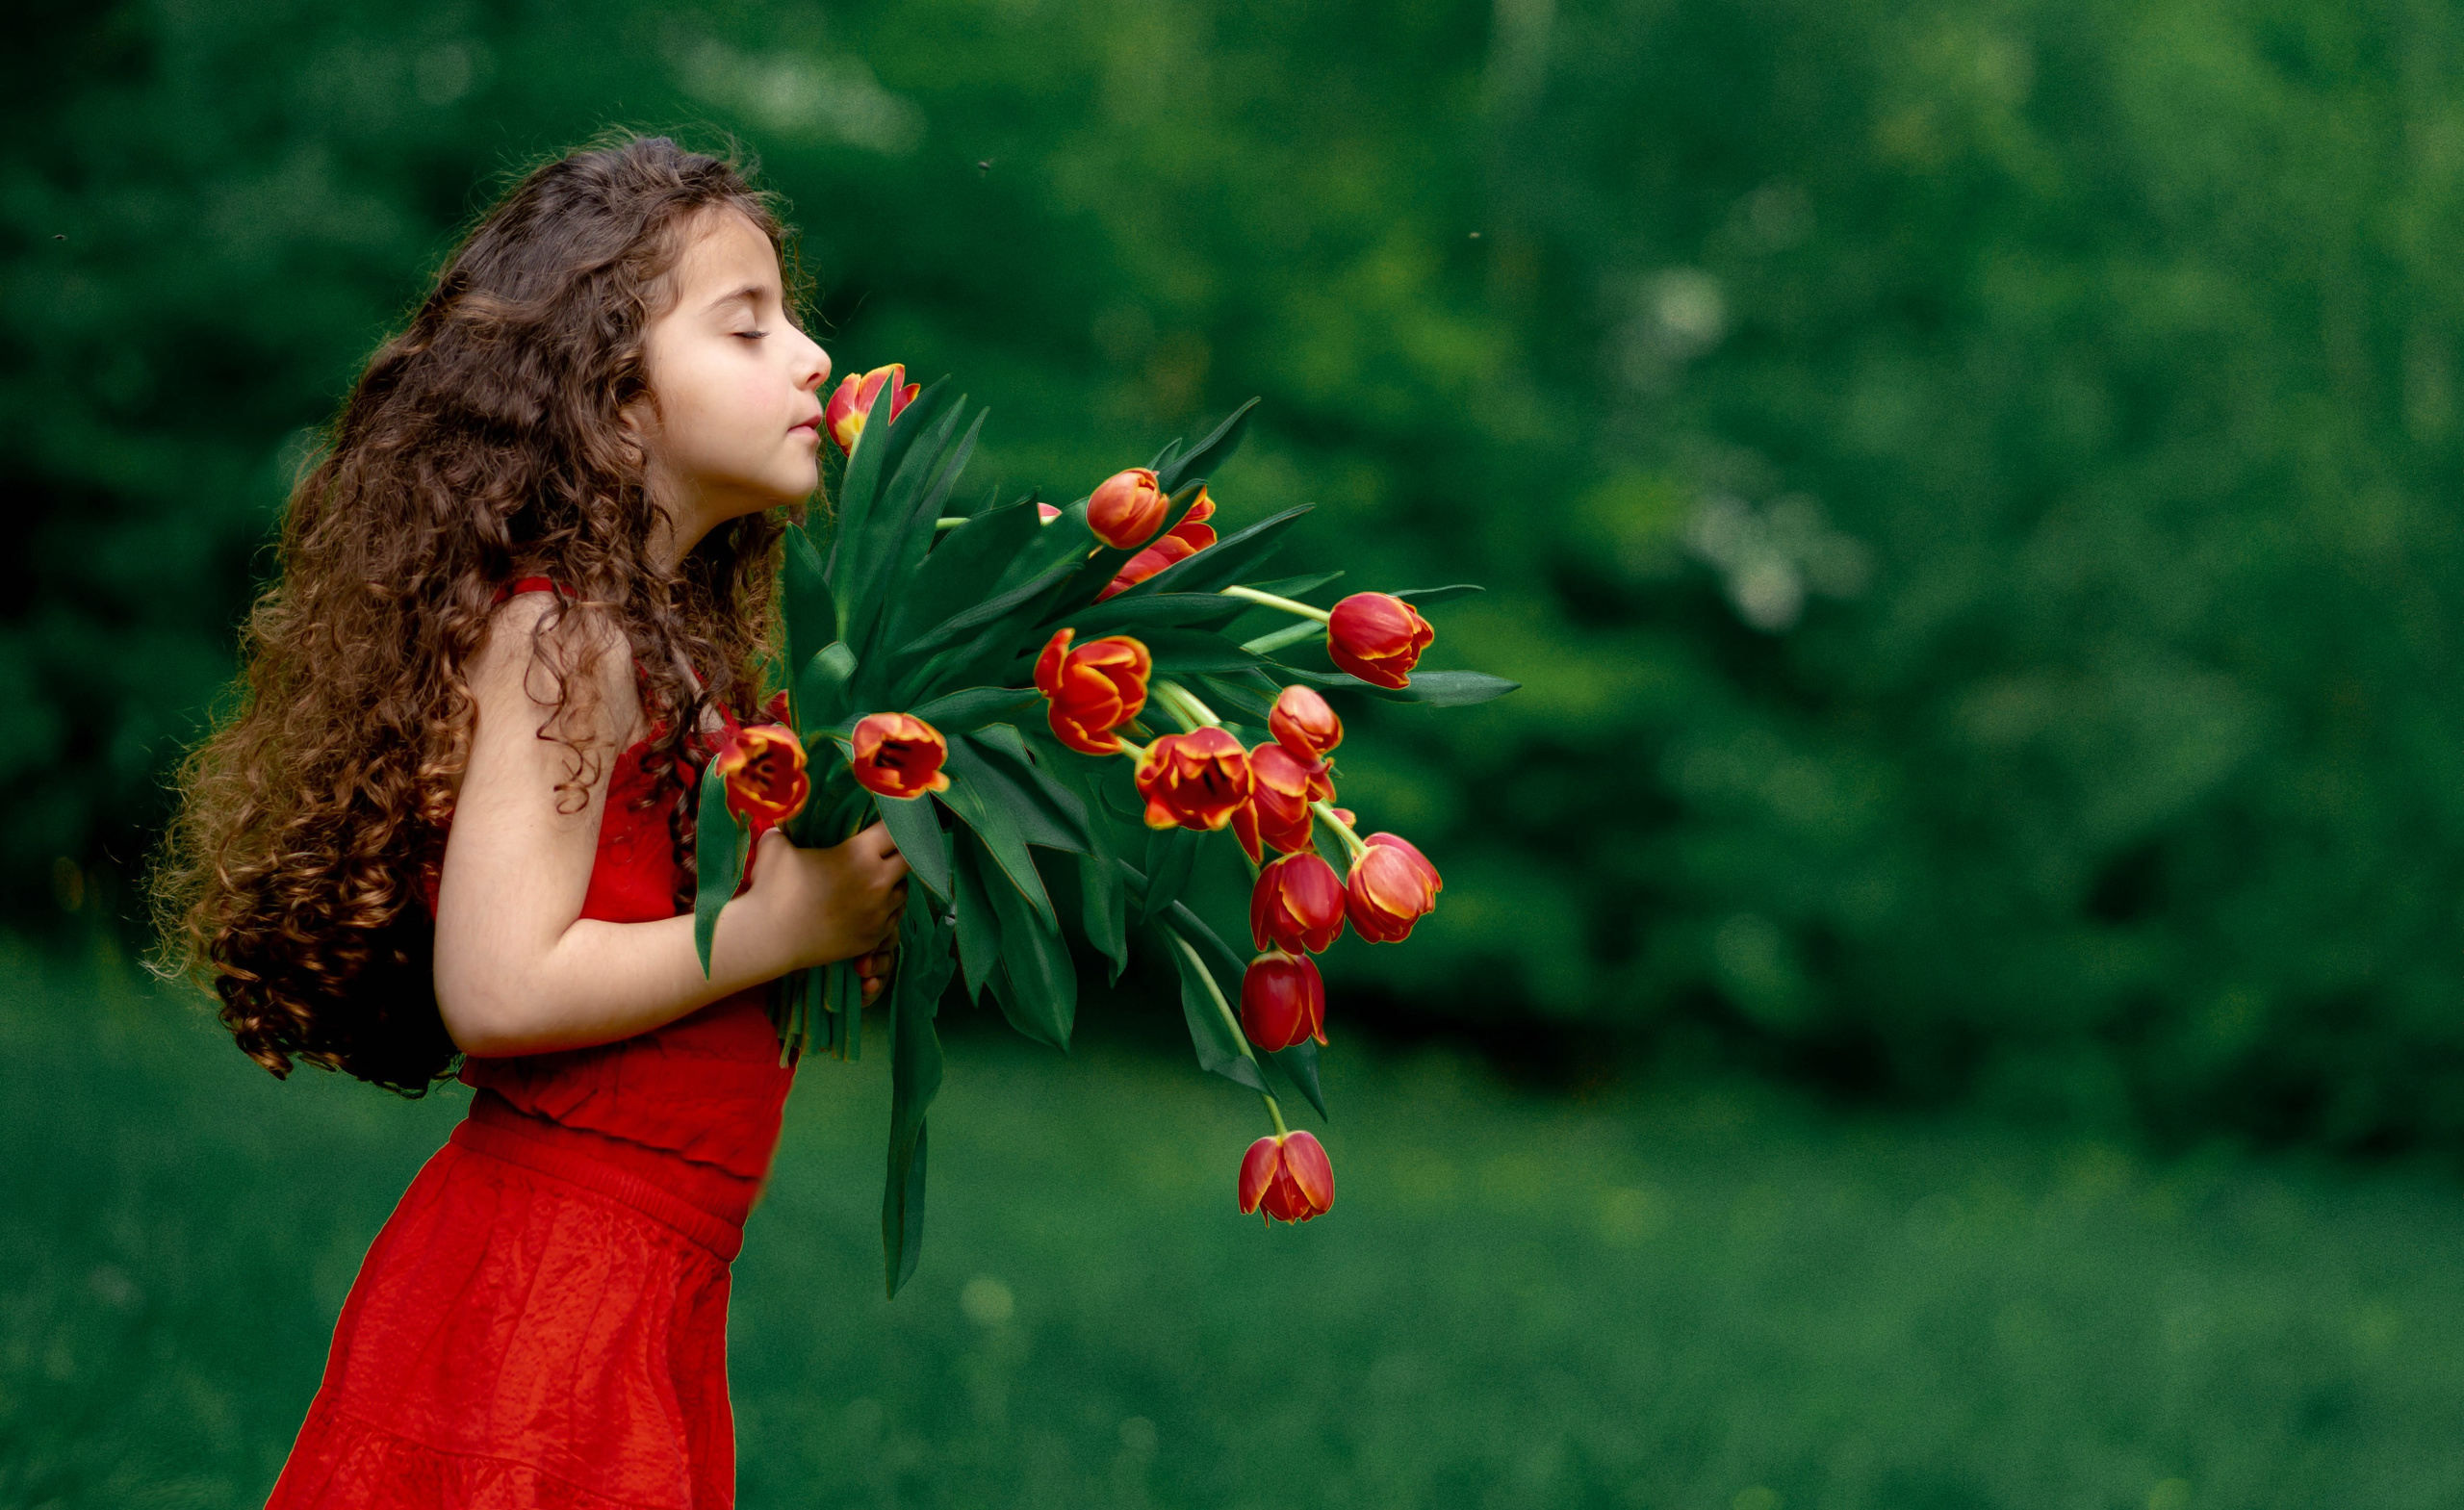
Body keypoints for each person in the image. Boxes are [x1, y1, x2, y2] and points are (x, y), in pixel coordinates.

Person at [147, 135, 910, 1509]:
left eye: (795, 319)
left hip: (635, 1277)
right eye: (749, 326)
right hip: (545, 1294)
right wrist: (775, 923)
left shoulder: (681, 650)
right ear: (617, 408)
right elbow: (499, 986)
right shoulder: (566, 637)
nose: (812, 358)